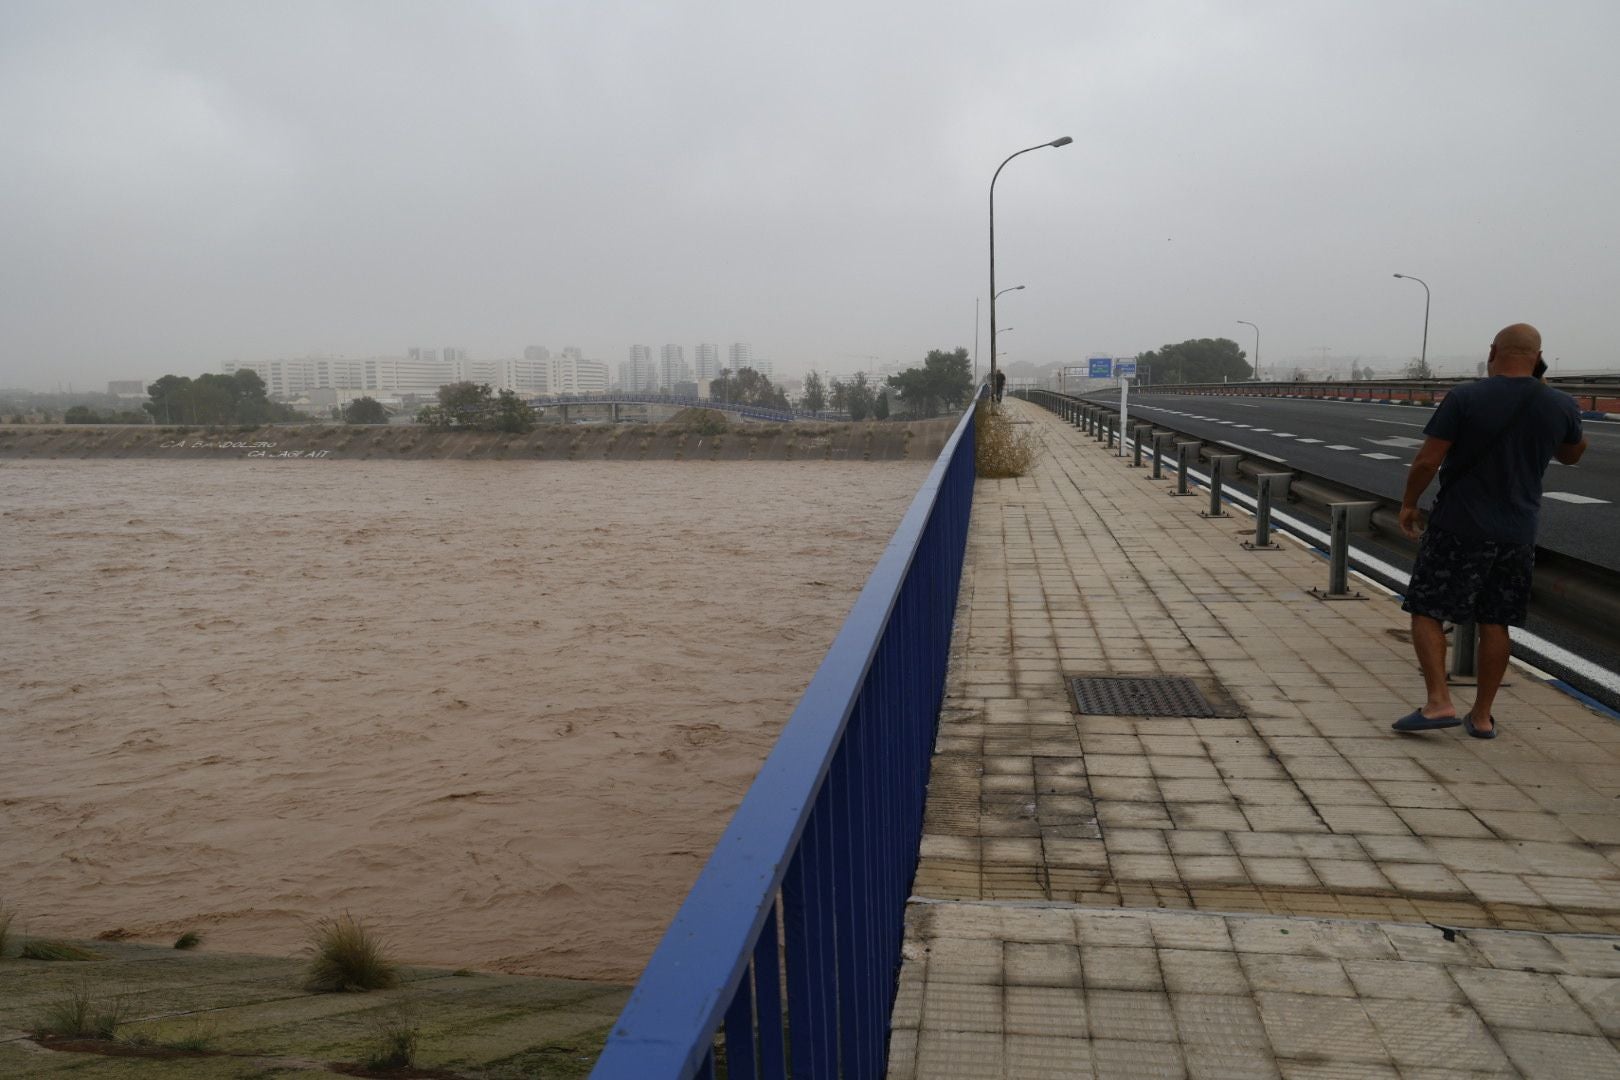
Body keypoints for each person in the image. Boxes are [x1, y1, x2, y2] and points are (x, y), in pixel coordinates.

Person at [1393, 324, 1586, 739]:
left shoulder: (1466, 396)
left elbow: (1428, 461)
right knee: (1496, 621)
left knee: (1426, 609)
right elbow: (1572, 454)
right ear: (1538, 356)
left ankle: (1438, 702)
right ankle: (1481, 717)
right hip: (1518, 532)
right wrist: (1545, 390)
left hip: (1458, 526)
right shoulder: (1560, 404)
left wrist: (1409, 503)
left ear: (1493, 351)